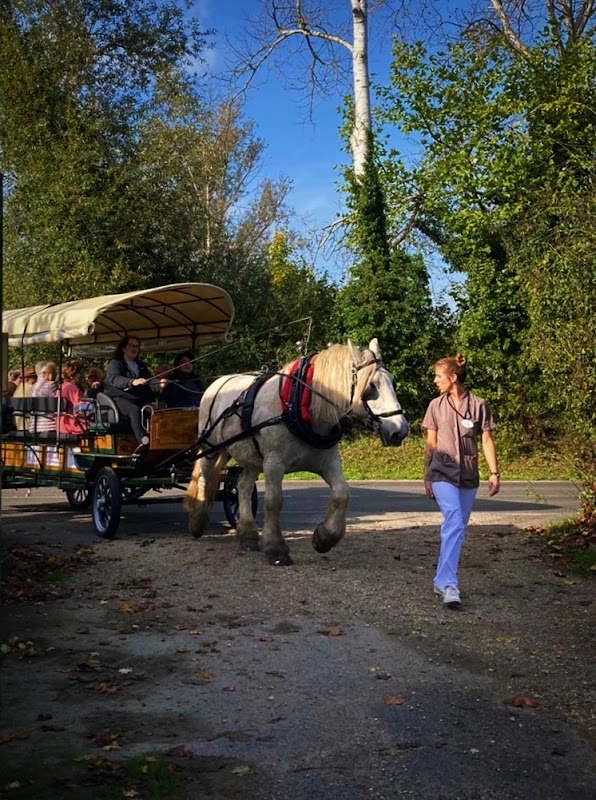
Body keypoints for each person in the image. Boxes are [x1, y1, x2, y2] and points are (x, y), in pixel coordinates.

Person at [422, 354, 500, 609]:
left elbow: (486, 440)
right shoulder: (435, 406)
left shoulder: (479, 405)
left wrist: (494, 472)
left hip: (468, 476)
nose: (435, 381)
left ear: (453, 378)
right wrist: (426, 475)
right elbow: (431, 444)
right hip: (441, 473)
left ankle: (440, 580)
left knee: (457, 528)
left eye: (438, 376)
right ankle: (448, 583)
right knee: (454, 518)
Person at [103, 336, 155, 444]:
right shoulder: (116, 363)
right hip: (116, 398)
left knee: (153, 411)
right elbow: (115, 379)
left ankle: (156, 439)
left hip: (135, 399)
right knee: (134, 410)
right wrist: (132, 382)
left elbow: (149, 382)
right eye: (131, 345)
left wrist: (160, 385)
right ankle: (142, 442)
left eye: (136, 346)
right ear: (123, 348)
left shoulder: (141, 366)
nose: (134, 348)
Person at [55, 360, 86, 435]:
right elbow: (79, 408)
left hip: (60, 426)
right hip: (73, 425)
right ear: (73, 375)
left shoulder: (61, 388)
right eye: (79, 373)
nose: (81, 376)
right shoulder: (72, 388)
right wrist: (93, 406)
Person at [29, 361, 59, 433]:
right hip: (49, 426)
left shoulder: (33, 387)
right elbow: (57, 405)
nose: (56, 374)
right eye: (53, 372)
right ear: (44, 374)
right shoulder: (51, 385)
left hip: (34, 426)